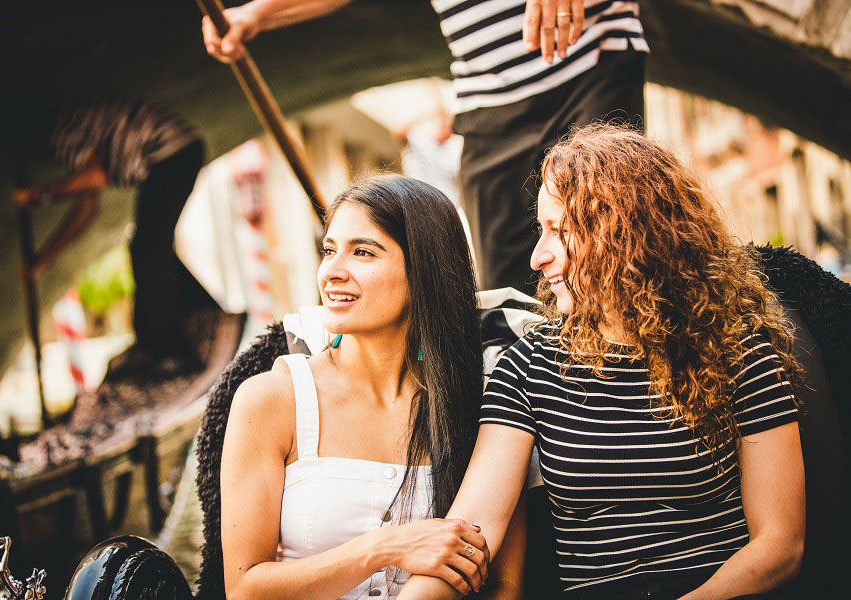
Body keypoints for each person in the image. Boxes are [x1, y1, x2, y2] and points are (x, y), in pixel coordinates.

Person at [397, 124, 806, 599]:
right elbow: (470, 537)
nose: (537, 258)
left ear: (628, 236)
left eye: (560, 231)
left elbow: (781, 545)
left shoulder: (740, 351)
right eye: (540, 231)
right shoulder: (528, 365)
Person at [202, 0, 648, 294]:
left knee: (613, 262)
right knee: (514, 295)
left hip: (592, 63)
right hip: (489, 97)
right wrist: (255, 14)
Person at [219, 174, 527, 599]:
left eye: (362, 252)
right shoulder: (272, 399)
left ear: (425, 271)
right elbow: (243, 589)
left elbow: (504, 584)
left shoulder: (478, 404)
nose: (332, 272)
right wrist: (386, 547)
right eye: (329, 251)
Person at [8, 97, 207, 378]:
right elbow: (86, 209)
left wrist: (40, 195)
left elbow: (95, 176)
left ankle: (169, 350)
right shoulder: (74, 134)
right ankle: (180, 325)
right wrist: (45, 257)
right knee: (149, 247)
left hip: (171, 153)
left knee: (148, 249)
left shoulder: (65, 131)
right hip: (171, 156)